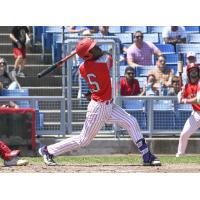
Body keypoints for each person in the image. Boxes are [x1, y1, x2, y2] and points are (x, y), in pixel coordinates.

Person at [39, 38, 161, 166]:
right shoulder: (102, 63)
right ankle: (48, 150)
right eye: (93, 48)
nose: (98, 48)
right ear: (88, 55)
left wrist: (85, 50)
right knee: (83, 140)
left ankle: (146, 155)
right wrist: (85, 50)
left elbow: (97, 57)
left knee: (131, 122)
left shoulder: (82, 67)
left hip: (107, 105)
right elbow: (108, 56)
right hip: (98, 109)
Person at [176, 63, 200, 157]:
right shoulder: (186, 86)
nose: (193, 73)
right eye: (191, 71)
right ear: (188, 73)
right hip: (196, 114)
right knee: (184, 134)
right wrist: (179, 96)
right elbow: (181, 99)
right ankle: (180, 155)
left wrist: (185, 100)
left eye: (195, 71)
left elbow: (198, 100)